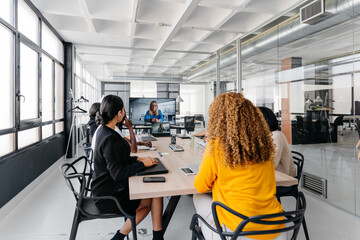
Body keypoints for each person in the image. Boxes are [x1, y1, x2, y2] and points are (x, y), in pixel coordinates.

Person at [193, 92, 286, 240]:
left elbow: (200, 186)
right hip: (277, 230)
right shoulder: (264, 145)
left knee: (197, 196)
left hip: (238, 233)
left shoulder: (217, 145)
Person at [91, 95, 163, 240]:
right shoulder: (109, 138)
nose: (124, 114)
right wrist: (142, 164)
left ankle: (157, 236)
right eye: (123, 110)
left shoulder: (104, 131)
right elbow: (118, 173)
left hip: (104, 188)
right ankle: (119, 237)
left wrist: (138, 158)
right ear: (119, 113)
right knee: (152, 195)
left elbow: (118, 159)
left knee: (154, 192)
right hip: (109, 196)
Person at [258, 106, 296, 177]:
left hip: (282, 178)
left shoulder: (276, 136)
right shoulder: (265, 135)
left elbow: (271, 163)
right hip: (269, 175)